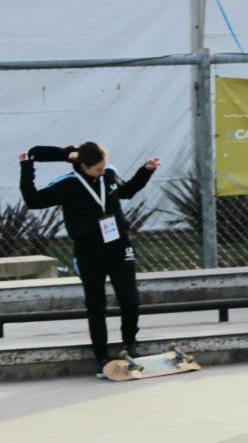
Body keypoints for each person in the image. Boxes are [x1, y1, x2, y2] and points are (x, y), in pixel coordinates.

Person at [19, 142, 161, 376]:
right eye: (96, 169)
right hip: (89, 251)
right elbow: (33, 200)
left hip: (119, 245)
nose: (102, 172)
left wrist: (146, 170)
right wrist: (26, 168)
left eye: (104, 167)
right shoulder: (67, 184)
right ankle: (101, 355)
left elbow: (127, 191)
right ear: (83, 166)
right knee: (96, 305)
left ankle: (130, 344)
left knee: (130, 298)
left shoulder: (109, 174)